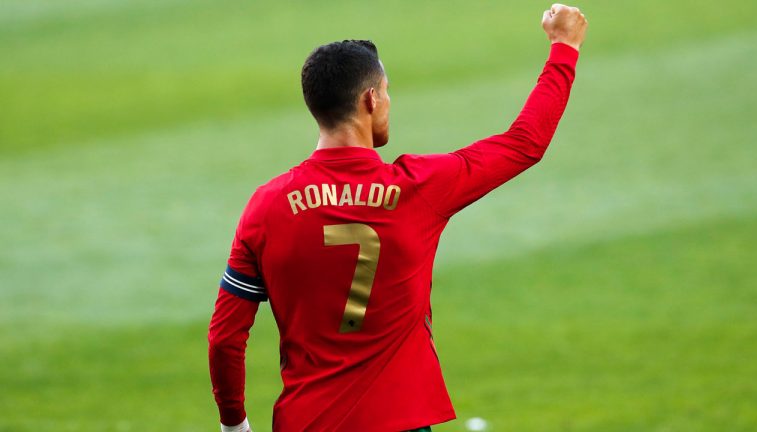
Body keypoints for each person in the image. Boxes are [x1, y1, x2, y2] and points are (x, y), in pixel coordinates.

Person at [208, 4, 587, 431]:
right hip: (400, 420)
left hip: (306, 421)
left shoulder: (267, 206)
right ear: (370, 99)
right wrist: (564, 47)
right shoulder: (418, 188)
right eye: (386, 91)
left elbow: (225, 336)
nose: (388, 101)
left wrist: (233, 423)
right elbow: (524, 144)